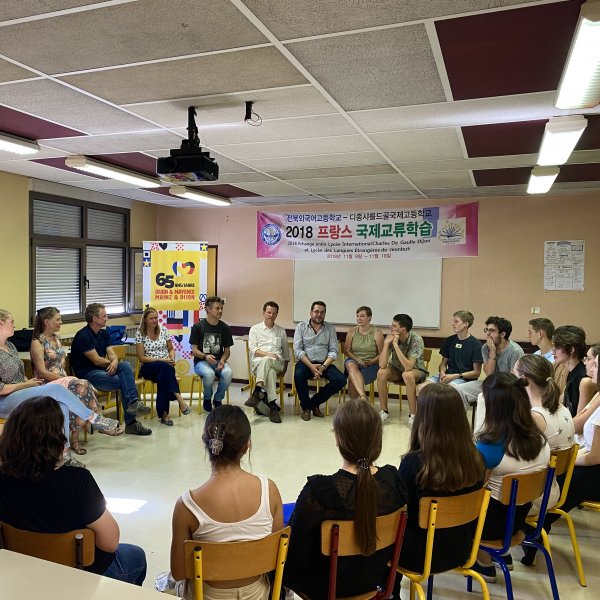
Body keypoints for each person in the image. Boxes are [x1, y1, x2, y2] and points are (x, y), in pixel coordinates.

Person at [0, 396, 147, 585]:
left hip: (23, 570)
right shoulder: (77, 481)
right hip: (77, 575)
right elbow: (110, 543)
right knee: (136, 555)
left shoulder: (3, 478)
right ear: (56, 439)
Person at [284, 399, 406, 599]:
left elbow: (294, 557)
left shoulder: (320, 492)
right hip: (376, 581)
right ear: (378, 439)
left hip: (326, 589)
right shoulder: (393, 482)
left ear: (338, 439)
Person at [170, 405, 283, 600]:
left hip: (206, 595)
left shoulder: (187, 505)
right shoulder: (269, 490)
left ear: (205, 442)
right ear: (247, 446)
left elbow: (179, 573)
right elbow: (275, 555)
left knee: (167, 582)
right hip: (257, 593)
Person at [0, 309, 119, 466]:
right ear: (1, 324)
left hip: (21, 393)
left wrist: (31, 384)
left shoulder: (10, 346)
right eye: (12, 322)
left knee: (60, 404)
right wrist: (27, 385)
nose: (14, 325)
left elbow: (21, 375)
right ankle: (94, 418)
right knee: (57, 390)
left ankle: (63, 454)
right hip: (4, 400)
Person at [398, 384, 485, 575]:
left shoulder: (414, 464)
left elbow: (401, 514)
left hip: (418, 556)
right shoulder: (476, 458)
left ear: (423, 418)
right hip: (461, 550)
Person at [522, 352, 600, 567]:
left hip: (595, 471)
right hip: (587, 459)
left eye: (594, 361)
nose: (588, 364)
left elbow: (595, 456)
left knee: (543, 483)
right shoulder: (596, 393)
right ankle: (533, 530)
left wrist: (564, 460)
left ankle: (533, 531)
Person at [473, 373, 550, 583]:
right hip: (518, 521)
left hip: (489, 526)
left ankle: (483, 562)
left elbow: (474, 489)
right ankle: (503, 555)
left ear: (492, 407)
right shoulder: (541, 441)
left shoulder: (490, 446)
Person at [30, 306, 114, 456]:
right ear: (47, 322)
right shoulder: (37, 342)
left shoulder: (57, 338)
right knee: (83, 385)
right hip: (48, 384)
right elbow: (42, 372)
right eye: (58, 319)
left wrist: (67, 379)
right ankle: (96, 420)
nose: (61, 322)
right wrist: (66, 379)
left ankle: (78, 437)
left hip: (65, 380)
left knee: (80, 390)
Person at [70, 303, 151, 435]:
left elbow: (111, 352)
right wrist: (111, 363)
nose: (107, 318)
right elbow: (96, 360)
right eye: (104, 316)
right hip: (88, 375)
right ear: (94, 318)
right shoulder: (83, 336)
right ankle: (131, 420)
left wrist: (114, 361)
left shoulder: (104, 333)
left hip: (103, 370)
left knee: (125, 366)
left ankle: (133, 405)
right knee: (127, 382)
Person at [457, 316, 524, 412]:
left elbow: (513, 381)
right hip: (491, 383)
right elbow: (489, 374)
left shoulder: (515, 351)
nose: (488, 334)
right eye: (486, 330)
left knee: (484, 398)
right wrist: (492, 352)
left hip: (507, 388)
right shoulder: (485, 347)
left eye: (491, 331)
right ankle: (459, 424)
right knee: (459, 390)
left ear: (503, 334)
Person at [135, 306, 189, 426]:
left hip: (164, 367)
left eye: (156, 318)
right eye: (151, 318)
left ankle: (164, 414)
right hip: (148, 367)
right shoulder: (140, 333)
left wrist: (171, 358)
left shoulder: (163, 330)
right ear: (145, 320)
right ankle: (179, 398)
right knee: (165, 368)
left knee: (164, 374)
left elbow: (171, 349)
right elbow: (141, 358)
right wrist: (162, 360)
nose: (155, 321)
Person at [293, 301, 346, 421]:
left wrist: (322, 367)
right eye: (316, 312)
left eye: (322, 312)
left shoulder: (330, 328)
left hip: (324, 363)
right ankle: (306, 408)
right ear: (311, 312)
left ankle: (312, 403)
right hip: (306, 363)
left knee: (341, 379)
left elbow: (333, 351)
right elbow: (298, 350)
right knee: (299, 375)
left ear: (325, 314)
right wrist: (311, 366)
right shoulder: (301, 327)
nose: (319, 315)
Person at [376, 313, 428, 425]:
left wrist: (395, 345)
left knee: (407, 374)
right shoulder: (390, 337)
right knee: (381, 373)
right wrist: (386, 344)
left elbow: (408, 366)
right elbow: (382, 365)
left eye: (394, 326)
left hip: (416, 371)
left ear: (403, 330)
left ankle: (413, 415)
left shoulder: (416, 339)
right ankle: (384, 412)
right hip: (397, 370)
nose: (391, 328)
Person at [245, 301, 289, 424]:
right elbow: (254, 350)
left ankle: (257, 392)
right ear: (264, 313)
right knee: (270, 372)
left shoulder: (281, 331)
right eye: (269, 312)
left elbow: (285, 354)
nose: (271, 315)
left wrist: (284, 370)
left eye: (274, 313)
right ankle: (272, 405)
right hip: (259, 365)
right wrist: (269, 355)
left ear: (277, 315)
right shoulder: (255, 329)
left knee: (270, 363)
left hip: (277, 363)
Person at [420, 310, 483, 397]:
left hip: (464, 378)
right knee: (422, 387)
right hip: (447, 375)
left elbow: (476, 372)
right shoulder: (449, 341)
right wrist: (442, 372)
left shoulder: (476, 345)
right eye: (453, 321)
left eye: (456, 321)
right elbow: (443, 363)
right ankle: (425, 411)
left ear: (466, 324)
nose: (453, 324)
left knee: (447, 392)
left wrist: (456, 376)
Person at [189, 296, 234, 413]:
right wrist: (205, 356)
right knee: (209, 374)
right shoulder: (198, 327)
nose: (220, 311)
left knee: (228, 373)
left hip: (219, 361)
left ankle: (218, 399)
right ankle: (207, 398)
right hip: (201, 361)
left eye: (221, 308)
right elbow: (194, 350)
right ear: (208, 309)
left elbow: (227, 351)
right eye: (217, 308)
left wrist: (223, 361)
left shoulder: (225, 328)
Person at [553, 325, 596, 417]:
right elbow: (560, 404)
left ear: (572, 350)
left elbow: (580, 420)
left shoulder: (584, 379)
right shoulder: (571, 372)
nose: (553, 352)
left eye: (557, 347)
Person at [343, 306, 384, 401]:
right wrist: (358, 360)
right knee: (350, 365)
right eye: (357, 316)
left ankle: (356, 406)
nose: (359, 318)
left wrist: (370, 362)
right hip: (354, 361)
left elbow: (382, 354)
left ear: (369, 318)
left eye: (362, 316)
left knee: (351, 378)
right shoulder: (352, 331)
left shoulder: (377, 333)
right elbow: (347, 350)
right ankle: (363, 397)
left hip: (371, 364)